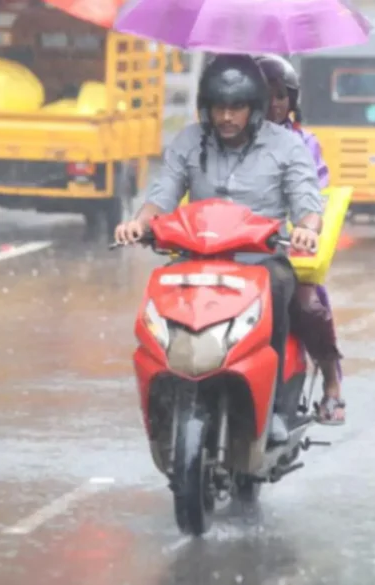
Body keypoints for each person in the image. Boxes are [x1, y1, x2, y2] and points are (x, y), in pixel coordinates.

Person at [113, 53, 324, 444]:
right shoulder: (190, 140)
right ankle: (166, 389)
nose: (227, 117)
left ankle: (275, 407)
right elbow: (163, 194)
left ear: (255, 108)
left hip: (259, 264)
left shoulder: (286, 147)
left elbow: (308, 204)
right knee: (159, 292)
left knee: (281, 287)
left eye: (237, 107)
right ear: (205, 108)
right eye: (218, 107)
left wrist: (307, 229)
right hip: (197, 261)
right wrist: (139, 225)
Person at [255, 54, 346, 425]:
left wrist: (304, 226)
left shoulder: (303, 144)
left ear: (293, 100)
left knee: (307, 306)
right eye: (265, 94)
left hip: (283, 249)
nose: (274, 103)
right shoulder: (228, 139)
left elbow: (312, 194)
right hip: (232, 248)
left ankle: (331, 384)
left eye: (282, 95)